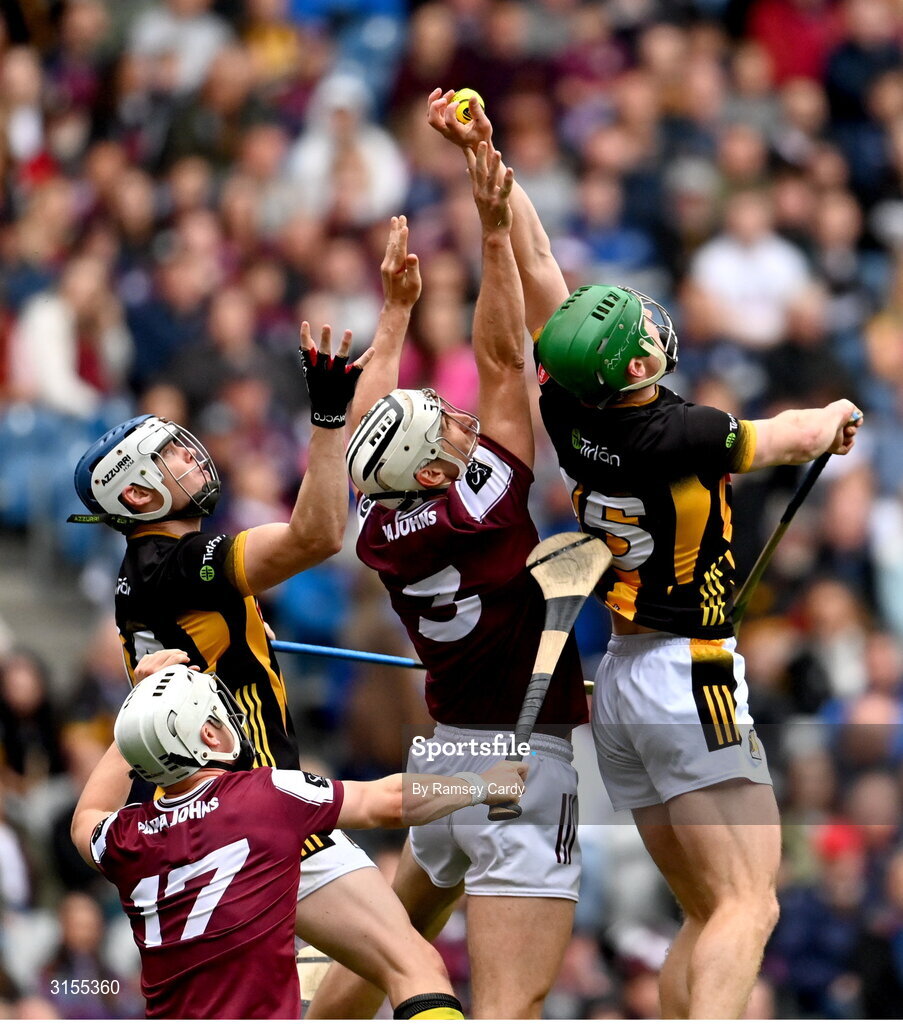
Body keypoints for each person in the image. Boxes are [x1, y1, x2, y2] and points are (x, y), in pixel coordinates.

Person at [427, 88, 863, 1020]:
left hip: (624, 682)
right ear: (631, 368)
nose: (650, 331)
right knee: (751, 900)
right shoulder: (683, 432)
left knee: (704, 911)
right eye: (638, 336)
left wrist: (486, 160)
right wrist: (831, 416)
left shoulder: (566, 407)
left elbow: (540, 261)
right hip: (685, 673)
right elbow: (783, 435)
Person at [68, 314, 464, 1014]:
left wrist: (393, 327)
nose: (194, 461)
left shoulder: (152, 571)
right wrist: (324, 414)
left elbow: (366, 447)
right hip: (255, 810)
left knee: (378, 967)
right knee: (412, 964)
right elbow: (317, 534)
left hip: (205, 822)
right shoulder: (182, 567)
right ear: (136, 496)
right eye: (170, 461)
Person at [313, 149, 587, 1020]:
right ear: (431, 474)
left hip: (451, 756)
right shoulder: (488, 507)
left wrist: (394, 315)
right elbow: (505, 360)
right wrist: (495, 227)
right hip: (523, 764)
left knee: (396, 952)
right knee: (510, 1006)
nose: (464, 426)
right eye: (447, 433)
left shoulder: (379, 526)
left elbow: (366, 429)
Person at [71, 662, 526, 1019]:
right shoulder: (265, 793)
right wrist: (482, 784)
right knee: (418, 968)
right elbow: (386, 801)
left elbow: (85, 820)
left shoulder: (126, 837)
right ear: (209, 735)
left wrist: (137, 726)